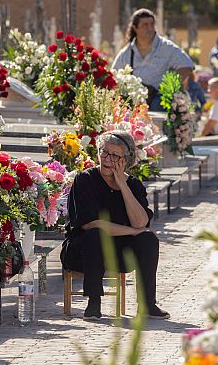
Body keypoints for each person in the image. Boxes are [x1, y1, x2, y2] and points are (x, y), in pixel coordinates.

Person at [61, 131, 170, 321]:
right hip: (83, 252)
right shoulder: (85, 179)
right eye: (104, 152)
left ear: (125, 160)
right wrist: (133, 231)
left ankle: (147, 304)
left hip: (119, 254)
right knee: (95, 234)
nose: (107, 159)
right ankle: (94, 302)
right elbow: (91, 224)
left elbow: (141, 222)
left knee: (148, 239)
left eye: (115, 156)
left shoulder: (133, 185)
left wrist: (123, 185)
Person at [112, 9, 194, 112]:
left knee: (158, 105)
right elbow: (113, 76)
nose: (150, 28)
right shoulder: (127, 53)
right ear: (135, 28)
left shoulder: (166, 47)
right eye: (145, 25)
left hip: (159, 102)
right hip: (135, 104)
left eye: (152, 24)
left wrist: (171, 89)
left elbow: (187, 66)